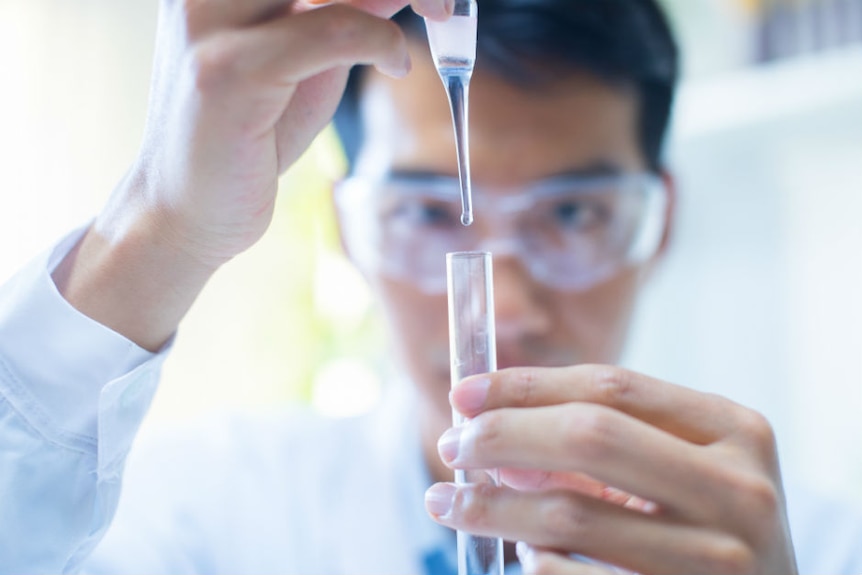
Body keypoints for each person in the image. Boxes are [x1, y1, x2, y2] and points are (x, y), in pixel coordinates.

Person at [0, 0, 860, 573]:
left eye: (573, 215)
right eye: (423, 213)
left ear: (659, 221)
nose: (510, 306)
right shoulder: (205, 514)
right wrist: (159, 225)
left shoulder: (805, 548)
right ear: (347, 229)